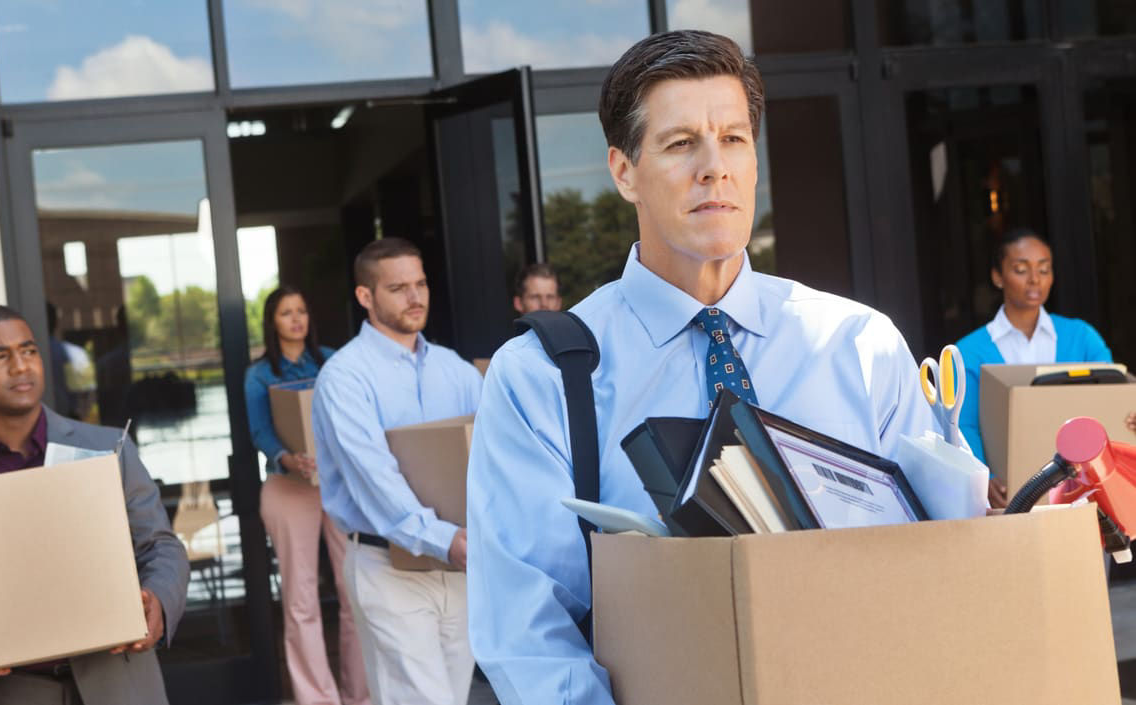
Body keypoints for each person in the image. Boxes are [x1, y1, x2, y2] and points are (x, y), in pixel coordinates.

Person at [465, 30, 941, 704]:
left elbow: (942, 557)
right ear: (624, 171)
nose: (714, 166)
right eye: (681, 142)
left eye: (735, 139)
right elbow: (526, 629)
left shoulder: (858, 344)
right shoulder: (543, 375)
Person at [0, 305, 189, 705]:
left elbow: (160, 547)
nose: (21, 366)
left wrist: (159, 602)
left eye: (28, 351)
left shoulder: (107, 449)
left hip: (116, 684)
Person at [311, 237, 483, 705]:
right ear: (366, 297)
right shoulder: (344, 378)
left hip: (463, 568)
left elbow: (493, 460)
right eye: (399, 288)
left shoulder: (460, 373)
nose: (416, 297)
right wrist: (444, 539)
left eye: (421, 283)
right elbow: (374, 476)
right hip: (389, 568)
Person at [243, 285, 369, 705]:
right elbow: (259, 430)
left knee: (355, 592)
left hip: (337, 486)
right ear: (272, 322)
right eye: (285, 313)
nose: (296, 319)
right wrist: (286, 458)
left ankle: (360, 695)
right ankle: (317, 698)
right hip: (288, 489)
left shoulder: (332, 360)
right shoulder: (259, 374)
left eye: (301, 311)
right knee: (300, 600)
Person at [955, 227, 1119, 502]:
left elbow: (1113, 395)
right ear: (998, 276)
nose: (1035, 280)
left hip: (1083, 491)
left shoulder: (1081, 337)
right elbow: (964, 425)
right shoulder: (968, 351)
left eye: (1044, 270)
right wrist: (981, 476)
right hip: (1010, 495)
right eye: (1021, 269)